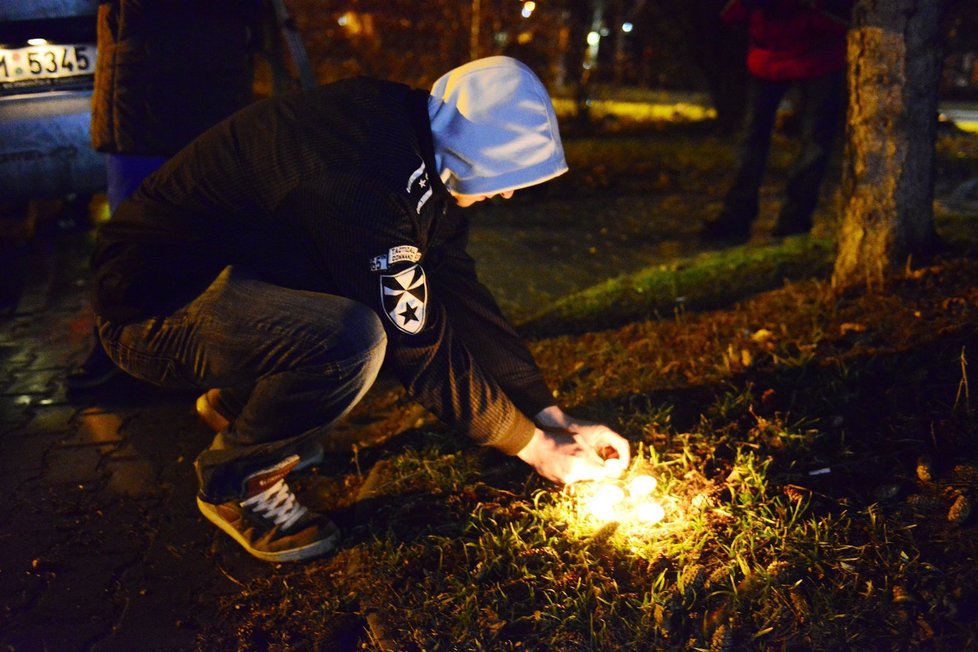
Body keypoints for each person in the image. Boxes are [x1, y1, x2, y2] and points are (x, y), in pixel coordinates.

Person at [89, 56, 632, 563]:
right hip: (152, 310)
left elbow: (454, 287)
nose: (508, 196)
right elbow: (418, 344)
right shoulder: (362, 175)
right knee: (354, 338)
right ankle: (237, 482)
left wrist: (549, 413)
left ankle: (240, 406)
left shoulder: (416, 132)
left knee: (364, 286)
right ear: (473, 148)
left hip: (225, 274)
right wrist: (534, 448)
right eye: (504, 175)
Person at [66, 0, 259, 390]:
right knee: (140, 234)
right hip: (157, 87)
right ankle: (129, 346)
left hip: (164, 86)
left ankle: (137, 350)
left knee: (148, 234)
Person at [701, 0, 853, 242]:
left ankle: (782, 220)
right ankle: (766, 219)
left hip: (811, 54)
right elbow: (730, 13)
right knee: (789, 141)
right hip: (777, 53)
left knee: (804, 142)